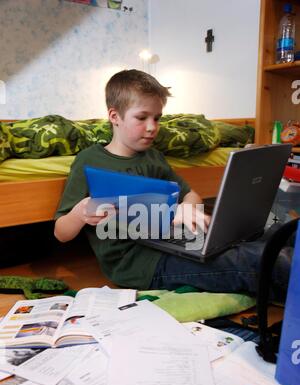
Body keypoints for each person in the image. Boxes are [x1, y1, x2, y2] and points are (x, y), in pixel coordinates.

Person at [54, 69, 292, 301]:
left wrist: (189, 207)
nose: (152, 127)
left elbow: (191, 196)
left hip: (175, 239)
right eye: (142, 117)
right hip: (142, 263)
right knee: (260, 261)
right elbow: (61, 233)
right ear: (114, 116)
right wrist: (80, 212)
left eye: (157, 118)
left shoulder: (154, 157)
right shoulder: (89, 160)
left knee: (280, 231)